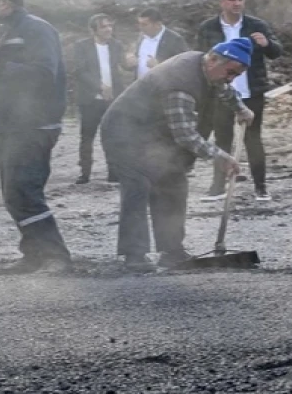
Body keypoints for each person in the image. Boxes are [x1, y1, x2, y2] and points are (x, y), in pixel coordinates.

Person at [101, 43, 250, 272]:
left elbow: (222, 86)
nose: (231, 78)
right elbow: (185, 135)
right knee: (137, 187)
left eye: (237, 75)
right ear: (212, 60)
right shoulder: (180, 84)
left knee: (174, 184)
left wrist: (239, 108)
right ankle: (134, 255)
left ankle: (172, 251)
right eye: (231, 72)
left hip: (157, 134)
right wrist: (220, 157)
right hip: (125, 132)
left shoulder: (209, 69)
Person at [0, 0, 73, 272]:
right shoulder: (1, 32)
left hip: (35, 125)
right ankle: (34, 254)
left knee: (25, 191)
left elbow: (44, 74)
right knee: (13, 194)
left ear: (3, 3)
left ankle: (56, 257)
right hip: (9, 125)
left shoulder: (37, 30)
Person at [195, 0, 284, 203]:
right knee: (222, 139)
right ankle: (217, 187)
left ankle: (261, 188)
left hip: (251, 91)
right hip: (220, 92)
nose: (237, 4)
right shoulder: (208, 27)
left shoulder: (257, 25)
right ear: (222, 2)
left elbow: (277, 52)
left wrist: (267, 43)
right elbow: (199, 57)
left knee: (253, 140)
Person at [69, 13, 128, 184]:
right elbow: (79, 71)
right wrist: (99, 86)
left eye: (110, 25)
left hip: (112, 99)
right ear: (93, 30)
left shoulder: (116, 45)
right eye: (104, 26)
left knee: (113, 135)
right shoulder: (81, 46)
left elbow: (123, 65)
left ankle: (114, 172)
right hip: (90, 99)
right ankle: (85, 173)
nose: (109, 29)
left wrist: (131, 62)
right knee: (87, 136)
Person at [124, 7, 188, 79]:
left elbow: (185, 67)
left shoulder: (175, 40)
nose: (140, 27)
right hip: (141, 86)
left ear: (158, 24)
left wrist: (160, 67)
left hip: (162, 87)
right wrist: (131, 62)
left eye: (144, 24)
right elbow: (136, 60)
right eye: (139, 24)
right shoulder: (142, 37)